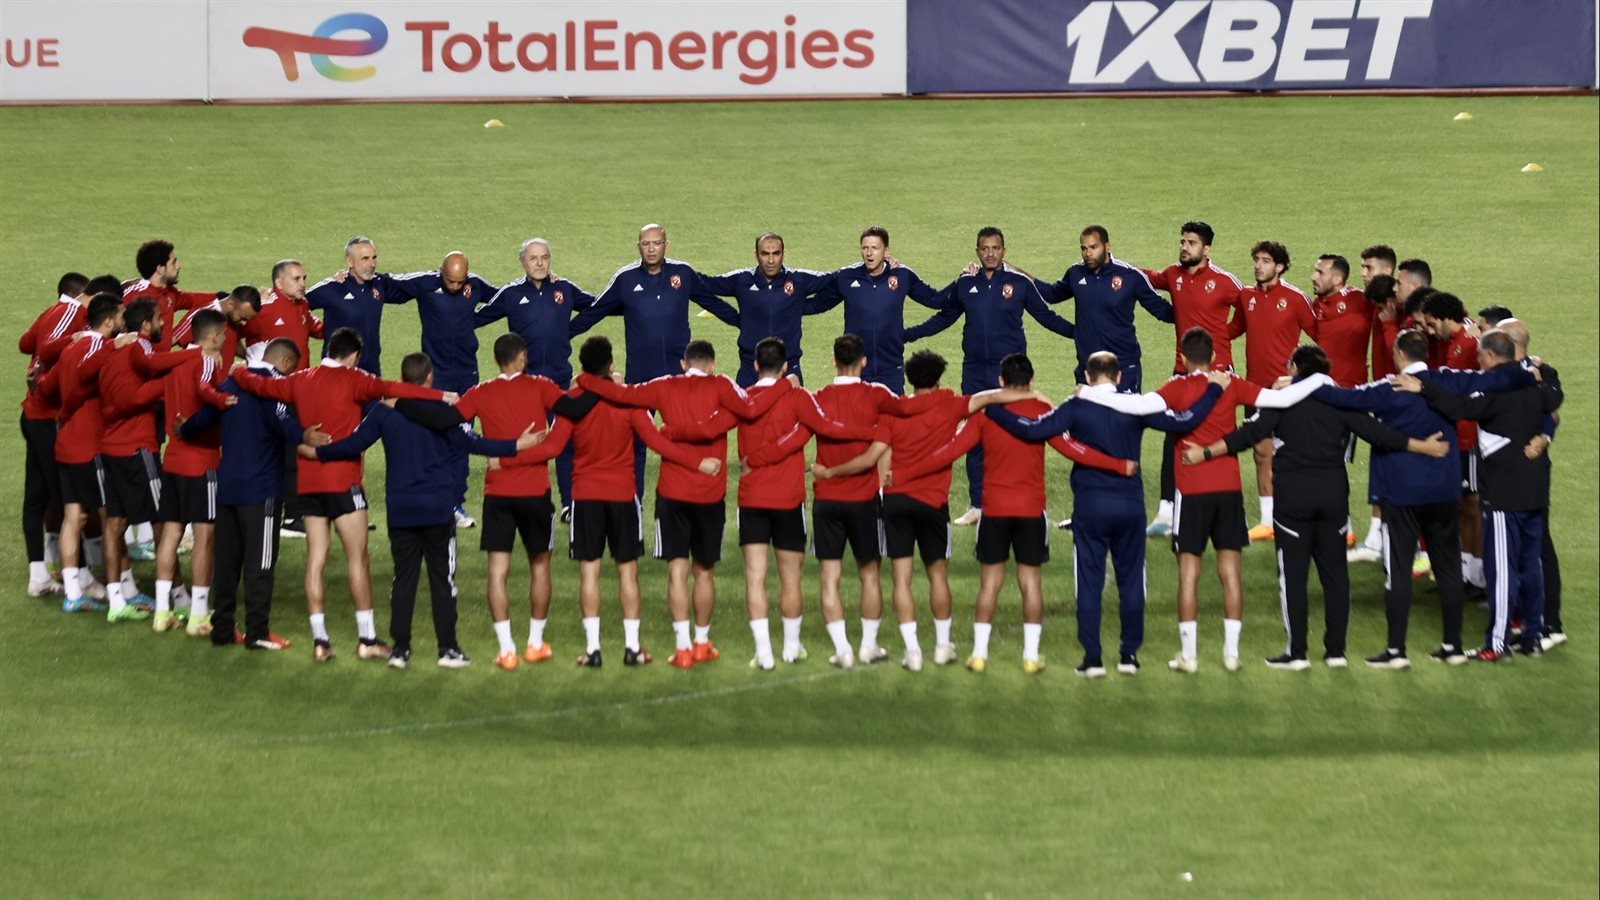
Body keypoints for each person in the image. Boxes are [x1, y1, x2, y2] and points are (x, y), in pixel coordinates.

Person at [1076, 327, 1334, 673]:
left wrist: (1088, 394)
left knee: (1189, 575)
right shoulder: (1231, 383)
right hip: (1228, 489)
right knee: (1231, 573)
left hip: (1191, 490)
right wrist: (1320, 379)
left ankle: (1189, 656)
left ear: (1183, 358)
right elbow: (1282, 401)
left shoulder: (1176, 387)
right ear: (1213, 356)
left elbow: (1137, 405)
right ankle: (1231, 654)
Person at [1184, 345, 1448, 670]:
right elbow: (1379, 434)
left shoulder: (1283, 401)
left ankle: (1296, 654)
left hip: (1293, 499)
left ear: (1295, 368)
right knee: (1335, 575)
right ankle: (1335, 652)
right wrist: (1422, 446)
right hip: (1332, 497)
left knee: (1293, 577)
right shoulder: (1337, 400)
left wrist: (1204, 453)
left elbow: (1247, 435)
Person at [892, 353, 1137, 674]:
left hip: (994, 510)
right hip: (1031, 510)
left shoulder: (987, 415)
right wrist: (1117, 464)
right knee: (1030, 583)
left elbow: (949, 451)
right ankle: (1031, 657)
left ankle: (979, 655)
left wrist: (903, 474)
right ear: (1031, 382)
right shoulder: (1042, 413)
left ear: (1001, 382)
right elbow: (1073, 449)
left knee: (989, 584)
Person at [984, 350, 1224, 677]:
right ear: (1119, 376)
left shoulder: (1076, 406)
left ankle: (1093, 660)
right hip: (1130, 507)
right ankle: (1128, 657)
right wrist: (1214, 390)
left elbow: (1031, 430)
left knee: (1088, 582)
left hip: (1090, 507)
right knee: (1132, 581)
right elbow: (1185, 421)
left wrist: (995, 411)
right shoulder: (1135, 406)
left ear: (1087, 376)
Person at [307, 352, 543, 669]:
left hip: (401, 510)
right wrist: (516, 445)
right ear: (429, 378)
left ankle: (400, 650)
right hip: (437, 510)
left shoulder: (384, 410)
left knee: (403, 580)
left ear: (403, 379)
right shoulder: (442, 412)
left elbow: (354, 444)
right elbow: (474, 443)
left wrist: (317, 452)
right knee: (442, 580)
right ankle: (447, 649)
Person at [232, 327, 453, 663]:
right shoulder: (356, 379)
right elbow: (392, 388)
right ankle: (367, 639)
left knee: (315, 559)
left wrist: (239, 373)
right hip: (344, 482)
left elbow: (261, 386)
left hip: (309, 484)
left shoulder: (300, 379)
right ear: (353, 356)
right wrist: (442, 396)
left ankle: (320, 641)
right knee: (357, 558)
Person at [739, 334, 957, 668]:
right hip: (864, 499)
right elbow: (907, 409)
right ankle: (868, 646)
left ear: (833, 362)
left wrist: (758, 457)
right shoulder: (877, 395)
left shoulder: (818, 398)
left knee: (829, 577)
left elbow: (802, 434)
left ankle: (842, 649)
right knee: (870, 574)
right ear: (864, 361)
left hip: (826, 500)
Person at [576, 339, 789, 668]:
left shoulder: (664, 385)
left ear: (683, 364)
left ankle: (683, 648)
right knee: (704, 572)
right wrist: (784, 386)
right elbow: (750, 409)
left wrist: (586, 379)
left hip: (672, 492)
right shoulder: (722, 386)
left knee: (677, 571)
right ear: (712, 365)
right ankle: (702, 644)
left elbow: (622, 395)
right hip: (710, 493)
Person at [671, 337, 871, 670]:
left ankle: (763, 653)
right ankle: (791, 648)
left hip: (752, 499)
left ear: (754, 366)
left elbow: (709, 428)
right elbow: (824, 427)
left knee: (755, 577)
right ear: (785, 366)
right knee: (790, 578)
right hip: (789, 499)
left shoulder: (743, 398)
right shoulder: (798, 397)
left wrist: (671, 434)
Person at [1311, 330, 1475, 667]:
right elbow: (1486, 381)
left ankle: (1397, 651)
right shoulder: (1447, 381)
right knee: (1447, 568)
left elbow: (1342, 397)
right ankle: (1453, 646)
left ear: (1399, 354)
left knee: (1398, 570)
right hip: (1444, 490)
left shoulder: (1390, 388)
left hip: (1401, 493)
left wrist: (1304, 382)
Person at [1395, 330, 1561, 661]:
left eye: (1481, 356)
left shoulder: (1494, 393)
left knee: (1502, 570)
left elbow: (1458, 408)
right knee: (1531, 565)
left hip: (1503, 494)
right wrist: (1545, 373)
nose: (1478, 361)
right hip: (1536, 490)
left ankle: (1496, 644)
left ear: (1491, 356)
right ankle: (1532, 635)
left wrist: (1423, 388)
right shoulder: (1538, 387)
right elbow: (1554, 400)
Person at [903, 226, 1077, 526]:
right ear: (977, 251)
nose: (991, 253)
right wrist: (909, 334)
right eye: (985, 248)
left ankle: (1025, 502)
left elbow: (1047, 316)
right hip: (974, 372)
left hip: (1010, 375)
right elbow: (944, 317)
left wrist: (1080, 333)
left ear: (1004, 251)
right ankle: (977, 505)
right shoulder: (965, 284)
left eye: (996, 248)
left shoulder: (1019, 284)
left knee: (1018, 435)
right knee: (975, 437)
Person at [564, 336, 719, 668]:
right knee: (627, 572)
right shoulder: (628, 402)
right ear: (611, 365)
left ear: (582, 368)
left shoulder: (572, 401)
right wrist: (697, 463)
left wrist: (509, 455)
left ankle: (593, 650)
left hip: (585, 496)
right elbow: (656, 442)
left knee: (589, 572)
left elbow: (553, 445)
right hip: (623, 496)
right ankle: (632, 648)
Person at [453, 333, 594, 670]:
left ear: (496, 360)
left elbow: (454, 428)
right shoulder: (541, 386)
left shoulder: (480, 392)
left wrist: (487, 449)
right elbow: (572, 409)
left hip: (497, 494)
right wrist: (590, 384)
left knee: (497, 570)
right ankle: (534, 643)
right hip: (535, 492)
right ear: (522, 358)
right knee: (540, 566)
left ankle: (506, 650)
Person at [569, 224, 743, 494]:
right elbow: (595, 311)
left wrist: (746, 323)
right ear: (638, 246)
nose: (651, 249)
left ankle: (690, 493)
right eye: (646, 243)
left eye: (656, 243)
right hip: (641, 375)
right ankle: (634, 499)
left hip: (679, 376)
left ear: (666, 245)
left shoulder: (683, 274)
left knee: (687, 436)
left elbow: (714, 304)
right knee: (635, 442)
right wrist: (562, 334)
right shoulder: (625, 279)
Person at [177, 338, 315, 650]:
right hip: (261, 493)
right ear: (285, 363)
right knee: (260, 564)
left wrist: (186, 428)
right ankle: (258, 633)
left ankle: (222, 629)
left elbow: (207, 415)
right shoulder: (274, 388)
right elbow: (286, 426)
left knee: (226, 564)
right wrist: (305, 435)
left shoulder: (232, 382)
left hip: (227, 490)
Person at [473, 238, 598, 518]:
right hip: (525, 386)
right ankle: (526, 500)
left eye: (544, 257)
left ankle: (569, 504)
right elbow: (476, 319)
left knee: (566, 443)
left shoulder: (564, 289)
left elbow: (597, 306)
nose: (540, 263)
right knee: (525, 441)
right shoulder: (510, 294)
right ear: (522, 262)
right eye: (533, 258)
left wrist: (570, 329)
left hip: (559, 382)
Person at [1141, 221, 1243, 537]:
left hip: (1218, 373)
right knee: (1174, 438)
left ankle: (1228, 509)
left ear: (1207, 249)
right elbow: (1147, 277)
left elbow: (1247, 310)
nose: (1185, 247)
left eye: (1192, 242)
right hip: (1182, 372)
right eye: (1183, 241)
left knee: (1220, 439)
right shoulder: (1173, 275)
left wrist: (1224, 335)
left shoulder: (1225, 281)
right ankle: (1166, 511)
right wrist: (1115, 265)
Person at [383, 251, 499, 529]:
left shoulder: (476, 286)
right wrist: (347, 278)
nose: (456, 287)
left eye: (460, 282)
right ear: (441, 272)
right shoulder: (425, 283)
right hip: (436, 378)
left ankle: (454, 503)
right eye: (450, 281)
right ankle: (430, 497)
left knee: (462, 436)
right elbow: (387, 282)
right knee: (433, 439)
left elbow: (505, 298)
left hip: (467, 376)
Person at [39, 294, 127, 615]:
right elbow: (90, 370)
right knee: (110, 519)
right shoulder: (99, 347)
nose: (124, 321)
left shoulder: (70, 348)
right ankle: (119, 594)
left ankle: (73, 593)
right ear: (108, 321)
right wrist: (115, 347)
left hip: (66, 443)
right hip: (91, 446)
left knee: (73, 517)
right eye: (121, 315)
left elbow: (45, 386)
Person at [150, 308, 235, 634]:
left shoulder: (175, 364)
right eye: (223, 334)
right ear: (212, 337)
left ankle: (162, 612)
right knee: (205, 538)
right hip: (202, 462)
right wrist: (224, 398)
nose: (226, 339)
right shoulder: (205, 361)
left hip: (172, 459)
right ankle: (198, 615)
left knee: (170, 535)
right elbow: (203, 389)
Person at [1228, 240, 1316, 542]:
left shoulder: (1295, 298)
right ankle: (1268, 521)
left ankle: (1299, 513)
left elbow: (1320, 335)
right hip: (1255, 390)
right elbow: (1234, 329)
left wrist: (1305, 377)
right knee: (1261, 453)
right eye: (1256, 259)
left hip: (1286, 391)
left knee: (1295, 454)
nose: (1258, 266)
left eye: (1265, 261)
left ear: (1279, 266)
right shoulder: (1247, 296)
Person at [801, 226, 944, 393]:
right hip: (855, 368)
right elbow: (817, 304)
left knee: (892, 410)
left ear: (886, 251)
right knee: (854, 410)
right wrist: (784, 305)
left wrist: (962, 282)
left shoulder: (902, 276)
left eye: (874, 248)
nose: (869, 253)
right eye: (865, 248)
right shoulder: (847, 277)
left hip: (891, 368)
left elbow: (935, 300)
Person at [1031, 224, 1174, 391]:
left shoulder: (1131, 276)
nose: (1088, 254)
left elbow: (1164, 311)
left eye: (1093, 247)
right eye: (1084, 248)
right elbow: (1051, 294)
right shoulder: (1075, 273)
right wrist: (1019, 274)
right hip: (1088, 370)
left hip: (1123, 368)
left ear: (1107, 246)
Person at [243, 260, 326, 539]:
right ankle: (286, 515)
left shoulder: (301, 306)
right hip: (271, 393)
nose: (303, 283)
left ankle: (291, 515)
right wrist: (246, 359)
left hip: (299, 391)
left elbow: (318, 329)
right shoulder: (263, 308)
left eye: (304, 277)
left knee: (294, 452)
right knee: (280, 452)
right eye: (296, 279)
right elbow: (232, 329)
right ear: (278, 283)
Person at [20, 272, 89, 597]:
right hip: (48, 419)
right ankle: (78, 575)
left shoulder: (50, 311)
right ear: (79, 295)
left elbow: (26, 343)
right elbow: (46, 348)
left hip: (33, 415)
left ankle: (38, 576)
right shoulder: (71, 312)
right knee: (64, 499)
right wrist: (77, 337)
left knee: (37, 496)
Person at [700, 232, 834, 388]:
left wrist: (805, 307)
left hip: (788, 368)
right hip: (751, 369)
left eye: (776, 253)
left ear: (783, 254)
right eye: (765, 254)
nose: (771, 260)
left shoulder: (798, 280)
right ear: (756, 255)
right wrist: (734, 317)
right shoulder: (742, 280)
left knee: (790, 406)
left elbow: (836, 279)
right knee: (745, 405)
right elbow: (704, 284)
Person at [1418, 291, 1484, 589]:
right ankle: (1465, 571)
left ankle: (1478, 576)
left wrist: (1480, 329)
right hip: (1456, 434)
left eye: (1432, 324)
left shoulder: (1470, 342)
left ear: (1446, 319)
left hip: (1470, 436)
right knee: (1459, 505)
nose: (1431, 331)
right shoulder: (1452, 341)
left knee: (1471, 505)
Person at [306, 236, 400, 374]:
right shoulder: (332, 288)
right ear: (350, 261)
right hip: (338, 374)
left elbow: (409, 286)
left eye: (374, 258)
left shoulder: (379, 285)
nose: (372, 264)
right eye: (365, 259)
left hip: (371, 372)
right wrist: (316, 328)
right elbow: (297, 305)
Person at [121, 239, 225, 349]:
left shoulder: (169, 293)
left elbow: (191, 300)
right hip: (140, 359)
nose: (178, 266)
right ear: (160, 269)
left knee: (211, 307)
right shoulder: (133, 296)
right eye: (173, 262)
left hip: (161, 358)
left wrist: (220, 296)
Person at [168, 284, 261, 367]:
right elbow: (170, 342)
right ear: (230, 304)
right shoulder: (203, 316)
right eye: (242, 318)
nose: (244, 323)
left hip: (223, 380)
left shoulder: (233, 319)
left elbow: (231, 342)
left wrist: (252, 358)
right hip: (201, 379)